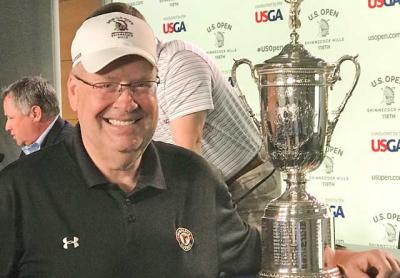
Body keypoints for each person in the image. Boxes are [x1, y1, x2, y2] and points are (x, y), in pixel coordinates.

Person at [0, 6, 399, 278]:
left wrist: (338, 258)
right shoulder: (19, 190)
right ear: (74, 91)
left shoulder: (195, 176)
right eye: (106, 84)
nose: (126, 101)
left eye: (141, 83)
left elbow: (253, 252)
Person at [89, 2, 281, 230]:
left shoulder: (179, 62)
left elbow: (189, 150)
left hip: (245, 186)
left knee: (249, 263)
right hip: (213, 186)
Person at [2, 76, 74, 157]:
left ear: (35, 114)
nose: (7, 127)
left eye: (11, 118)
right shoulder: (32, 148)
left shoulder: (70, 149)